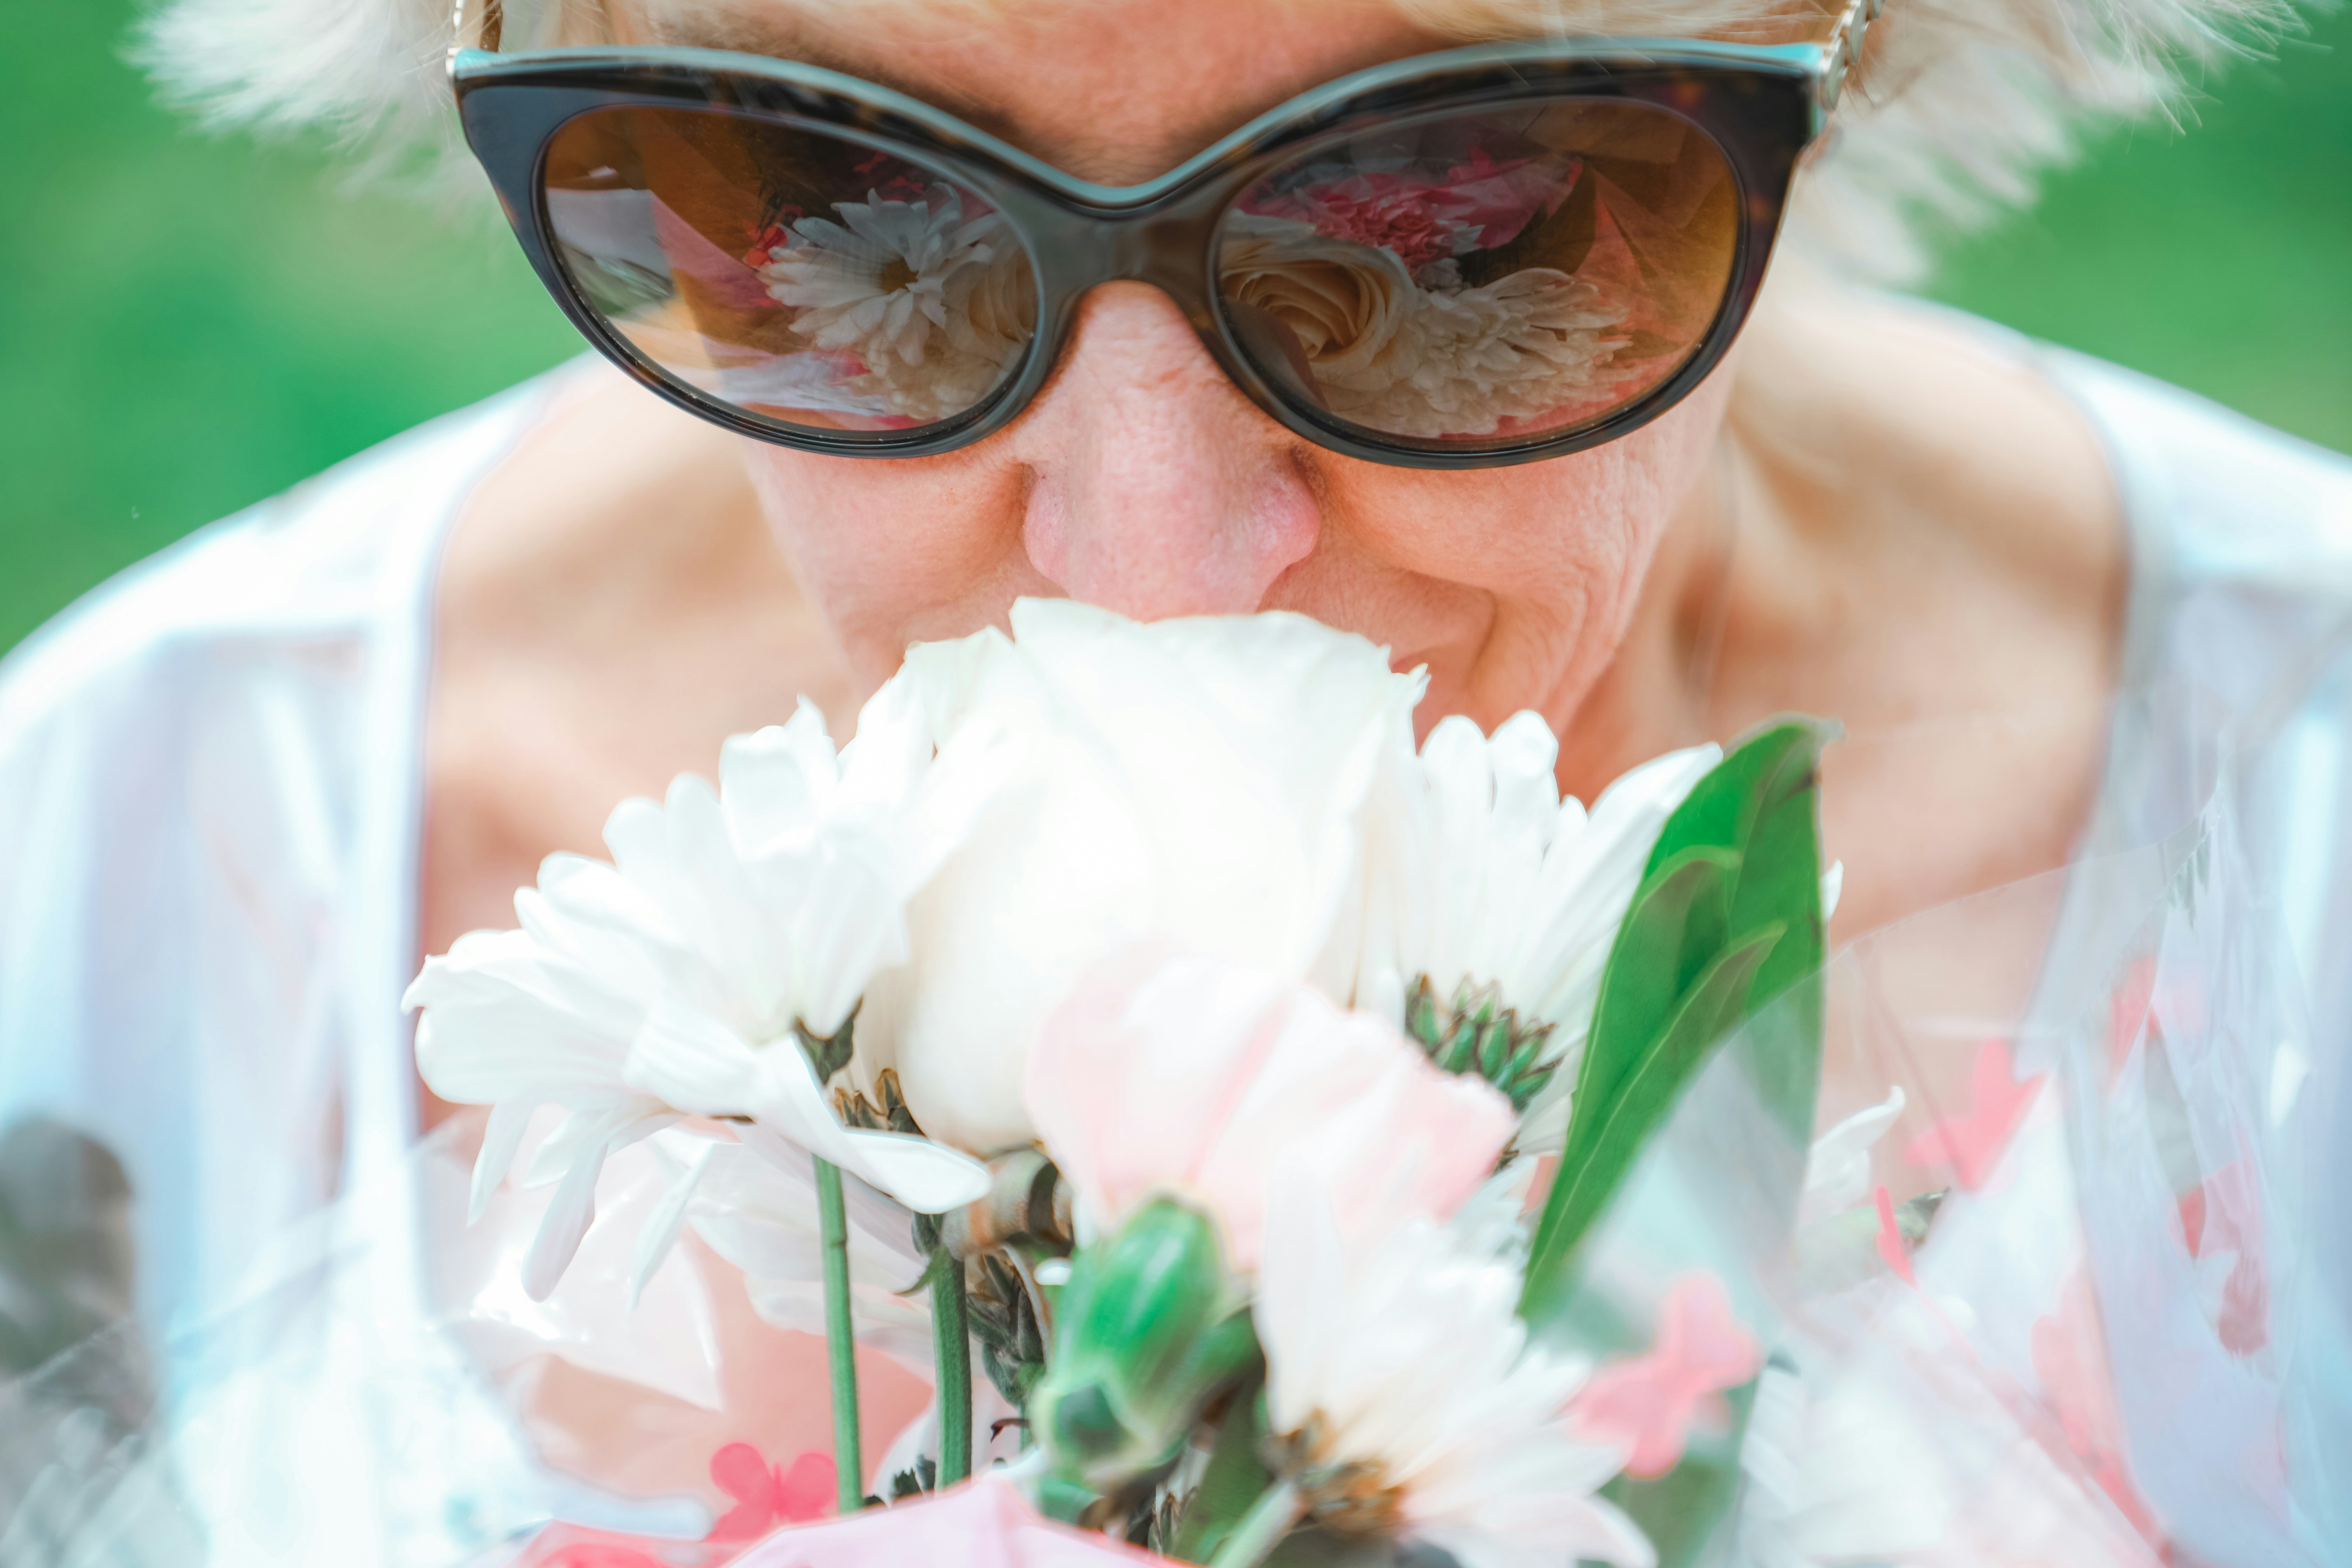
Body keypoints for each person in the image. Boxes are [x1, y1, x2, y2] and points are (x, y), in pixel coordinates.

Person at [0, 0, 2346, 1560]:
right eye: (825, 211)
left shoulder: (2299, 857)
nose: (1156, 566)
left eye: (1455, 228)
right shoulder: (115, 898)